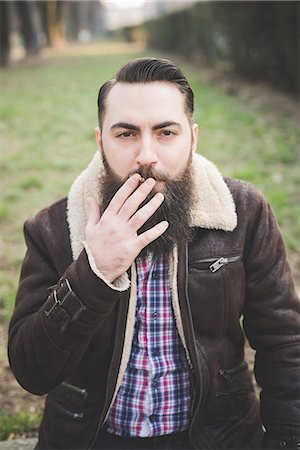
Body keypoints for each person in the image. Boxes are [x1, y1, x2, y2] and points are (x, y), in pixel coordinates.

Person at [8, 57, 300, 450]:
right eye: (126, 134)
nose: (147, 155)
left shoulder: (243, 213)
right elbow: (32, 371)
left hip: (219, 436)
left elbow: (284, 343)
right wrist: (94, 272)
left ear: (192, 139)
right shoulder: (53, 228)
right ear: (101, 142)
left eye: (166, 132)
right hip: (92, 438)